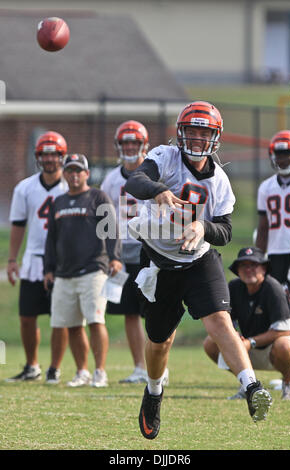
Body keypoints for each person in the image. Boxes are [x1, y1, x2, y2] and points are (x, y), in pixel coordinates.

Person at [124, 101, 272, 439]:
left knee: (220, 321)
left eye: (204, 132)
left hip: (198, 259)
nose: (196, 138)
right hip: (160, 263)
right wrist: (159, 190)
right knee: (160, 342)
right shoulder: (165, 157)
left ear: (215, 137)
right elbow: (136, 181)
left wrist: (203, 227)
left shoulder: (219, 180)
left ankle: (252, 388)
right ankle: (154, 392)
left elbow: (226, 230)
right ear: (181, 132)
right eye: (191, 130)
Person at [44, 154, 122, 388]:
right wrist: (49, 268)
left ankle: (100, 371)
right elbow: (51, 239)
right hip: (64, 273)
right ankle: (82, 371)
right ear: (64, 174)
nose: (74, 175)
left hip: (93, 269)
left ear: (87, 174)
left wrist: (115, 257)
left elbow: (111, 229)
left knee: (96, 320)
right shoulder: (57, 202)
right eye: (70, 171)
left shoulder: (98, 197)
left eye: (79, 170)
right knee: (72, 325)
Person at [6, 131, 69, 384]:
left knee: (61, 317)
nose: (50, 159)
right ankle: (32, 365)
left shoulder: (70, 186)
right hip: (34, 259)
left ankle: (55, 367)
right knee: (27, 316)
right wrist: (12, 259)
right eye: (45, 154)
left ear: (62, 157)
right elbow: (18, 225)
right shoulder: (25, 188)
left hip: (64, 261)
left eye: (54, 154)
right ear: (38, 157)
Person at [204, 247, 290, 400]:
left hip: (283, 351)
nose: (248, 270)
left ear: (264, 268)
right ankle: (248, 385)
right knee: (211, 343)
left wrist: (250, 342)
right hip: (250, 347)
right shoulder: (234, 287)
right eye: (243, 265)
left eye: (253, 265)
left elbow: (283, 331)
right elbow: (227, 320)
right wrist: (236, 335)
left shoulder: (273, 288)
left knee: (285, 344)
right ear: (238, 269)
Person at [100, 120, 148, 384]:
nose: (130, 147)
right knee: (130, 312)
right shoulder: (111, 179)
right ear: (119, 146)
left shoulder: (154, 173)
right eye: (125, 142)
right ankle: (140, 367)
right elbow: (104, 220)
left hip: (150, 250)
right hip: (121, 253)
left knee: (154, 311)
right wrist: (109, 253)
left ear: (144, 145)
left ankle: (157, 367)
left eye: (134, 142)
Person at [256, 130, 290, 285]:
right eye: (279, 154)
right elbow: (263, 228)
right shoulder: (266, 187)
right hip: (275, 252)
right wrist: (259, 259)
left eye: (288, 153)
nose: (283, 158)